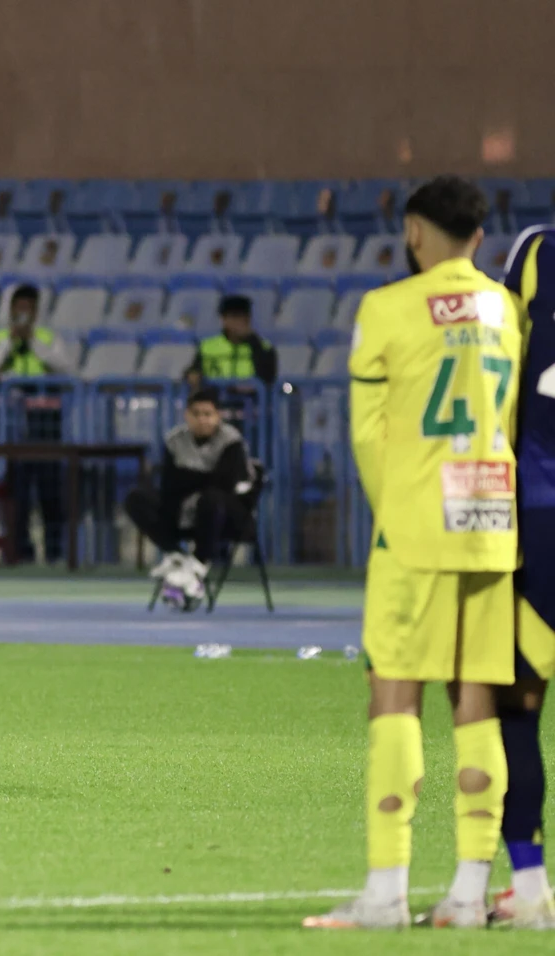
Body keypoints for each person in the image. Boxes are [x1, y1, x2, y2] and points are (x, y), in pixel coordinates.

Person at [306, 176, 524, 930]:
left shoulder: (387, 309)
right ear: (480, 237)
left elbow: (370, 436)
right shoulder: (504, 309)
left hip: (417, 526)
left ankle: (386, 892)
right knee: (476, 704)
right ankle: (468, 893)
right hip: (492, 520)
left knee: (394, 695)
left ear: (415, 233)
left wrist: (395, 512)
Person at [489, 225, 555, 928]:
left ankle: (531, 888)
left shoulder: (538, 251)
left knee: (518, 707)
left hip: (539, 509)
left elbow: (498, 361)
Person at [0, 284, 75, 563]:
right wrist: (10, 347)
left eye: (29, 308)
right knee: (17, 491)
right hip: (12, 424)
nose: (24, 313)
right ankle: (20, 551)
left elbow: (65, 368)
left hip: (46, 422)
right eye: (19, 307)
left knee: (50, 489)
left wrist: (33, 343)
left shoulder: (48, 338)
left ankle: (55, 551)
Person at [123, 387, 252, 601]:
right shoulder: (175, 440)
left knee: (212, 498)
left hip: (223, 515)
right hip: (181, 509)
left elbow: (225, 483)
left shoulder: (231, 441)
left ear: (218, 416)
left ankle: (199, 563)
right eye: (196, 414)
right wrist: (206, 477)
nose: (202, 420)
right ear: (187, 415)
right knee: (135, 498)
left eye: (208, 414)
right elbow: (169, 483)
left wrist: (189, 478)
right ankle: (177, 556)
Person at [185, 295, 277, 388]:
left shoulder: (264, 348)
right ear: (224, 320)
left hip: (250, 399)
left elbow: (268, 378)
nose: (239, 322)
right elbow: (194, 371)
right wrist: (191, 374)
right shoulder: (207, 346)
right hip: (214, 398)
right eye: (234, 317)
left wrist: (254, 342)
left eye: (243, 317)